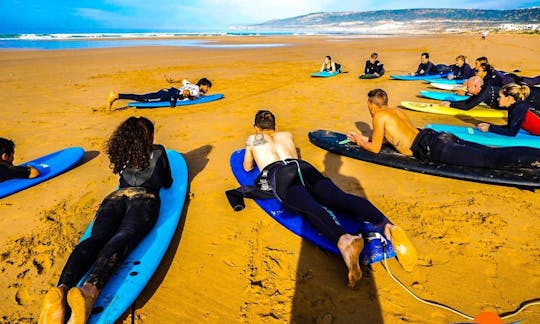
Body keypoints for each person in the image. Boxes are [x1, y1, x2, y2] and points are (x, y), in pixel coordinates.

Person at [240, 110, 417, 288]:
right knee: (339, 198)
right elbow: (296, 156)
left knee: (310, 206)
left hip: (279, 173)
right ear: (275, 126)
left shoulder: (253, 139)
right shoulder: (286, 135)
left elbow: (247, 167)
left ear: (256, 127)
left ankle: (345, 241)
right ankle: (387, 226)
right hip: (303, 167)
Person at [38, 117, 173, 324]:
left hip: (115, 198)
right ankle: (89, 292)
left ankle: (61, 289)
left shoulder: (122, 154)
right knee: (123, 235)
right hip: (144, 198)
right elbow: (167, 181)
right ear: (150, 136)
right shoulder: (158, 150)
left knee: (97, 237)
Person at [347, 89, 540, 170]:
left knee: (489, 159)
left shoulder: (379, 116)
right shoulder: (396, 112)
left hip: (436, 148)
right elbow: (395, 137)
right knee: (489, 152)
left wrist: (359, 140)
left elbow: (375, 148)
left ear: (372, 106)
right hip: (437, 137)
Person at [107, 77, 212, 109]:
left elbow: (183, 80)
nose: (208, 90)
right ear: (203, 85)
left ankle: (117, 96)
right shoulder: (196, 90)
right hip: (168, 95)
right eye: (208, 87)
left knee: (143, 97)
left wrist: (172, 81)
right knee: (142, 99)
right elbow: (187, 92)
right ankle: (117, 95)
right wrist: (189, 95)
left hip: (168, 91)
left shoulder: (192, 84)